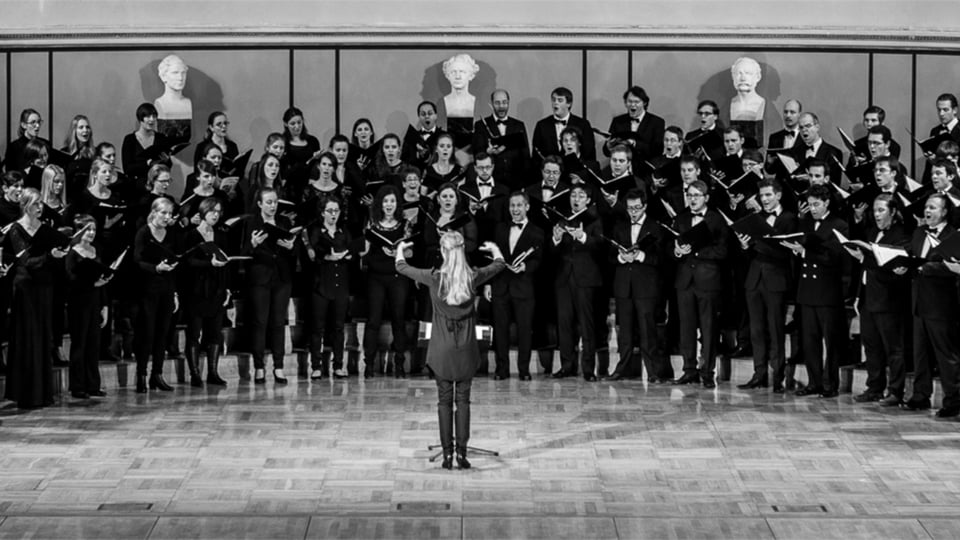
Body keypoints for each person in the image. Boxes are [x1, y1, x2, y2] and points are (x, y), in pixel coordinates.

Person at [395, 231, 505, 469]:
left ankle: (447, 455)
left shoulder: (434, 277)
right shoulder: (472, 276)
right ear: (462, 251)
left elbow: (402, 267)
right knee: (463, 401)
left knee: (444, 402)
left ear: (443, 252)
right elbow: (499, 265)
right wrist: (494, 249)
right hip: (466, 348)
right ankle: (462, 454)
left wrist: (400, 248)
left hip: (441, 349)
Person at [781, 184, 848, 397]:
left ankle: (830, 384)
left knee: (831, 341)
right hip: (807, 290)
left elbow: (834, 258)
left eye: (816, 204)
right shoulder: (805, 222)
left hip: (828, 290)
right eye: (810, 205)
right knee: (809, 340)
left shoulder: (839, 225)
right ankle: (814, 382)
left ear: (827, 203)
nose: (813, 208)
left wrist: (804, 252)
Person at [3, 188, 68, 408]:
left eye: (41, 203)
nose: (40, 207)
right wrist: (50, 255)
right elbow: (25, 262)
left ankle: (42, 392)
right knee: (27, 337)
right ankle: (26, 393)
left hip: (44, 286)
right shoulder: (16, 229)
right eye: (35, 204)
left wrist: (59, 253)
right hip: (25, 288)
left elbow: (53, 256)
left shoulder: (45, 229)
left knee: (42, 336)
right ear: (25, 205)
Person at [735, 179, 798, 392]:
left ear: (778, 195)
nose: (765, 200)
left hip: (776, 280)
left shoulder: (789, 218)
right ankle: (759, 374)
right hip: (754, 280)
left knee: (775, 329)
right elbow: (751, 252)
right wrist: (745, 246)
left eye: (768, 195)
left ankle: (778, 376)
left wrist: (758, 242)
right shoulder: (756, 218)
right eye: (762, 196)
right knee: (756, 330)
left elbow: (783, 252)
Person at [848, 193, 909, 406]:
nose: (876, 214)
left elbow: (891, 269)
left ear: (893, 212)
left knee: (893, 348)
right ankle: (874, 387)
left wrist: (865, 258)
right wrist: (858, 295)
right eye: (874, 210)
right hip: (868, 296)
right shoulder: (872, 232)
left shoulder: (900, 235)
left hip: (888, 299)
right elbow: (865, 269)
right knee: (871, 345)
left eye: (881, 210)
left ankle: (895, 391)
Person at [904, 193, 960, 417]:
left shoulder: (953, 235)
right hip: (919, 301)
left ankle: (953, 400)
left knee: (946, 356)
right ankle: (920, 396)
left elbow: (953, 267)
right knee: (920, 354)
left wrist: (924, 268)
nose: (928, 211)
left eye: (933, 208)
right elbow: (912, 256)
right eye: (927, 207)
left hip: (941, 304)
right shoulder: (919, 232)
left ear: (945, 211)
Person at [605, 188, 669, 382]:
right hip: (624, 285)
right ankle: (621, 368)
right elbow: (608, 256)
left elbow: (662, 259)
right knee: (624, 331)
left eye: (637, 208)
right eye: (630, 208)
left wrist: (640, 256)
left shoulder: (655, 227)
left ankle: (653, 371)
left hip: (646, 286)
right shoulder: (619, 226)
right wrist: (621, 257)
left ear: (645, 206)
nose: (633, 212)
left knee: (647, 330)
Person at [672, 180, 729, 388]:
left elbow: (722, 251)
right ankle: (689, 370)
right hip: (685, 280)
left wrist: (696, 251)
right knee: (686, 328)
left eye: (697, 195)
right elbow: (674, 245)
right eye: (690, 195)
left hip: (708, 280)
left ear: (706, 198)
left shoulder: (716, 220)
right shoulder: (681, 218)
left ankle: (707, 371)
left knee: (708, 329)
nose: (692, 199)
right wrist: (678, 252)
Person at [243, 187, 296, 384]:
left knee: (278, 323)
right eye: (269, 202)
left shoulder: (283, 222)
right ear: (259, 204)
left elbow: (292, 251)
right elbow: (244, 252)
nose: (273, 206)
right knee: (259, 322)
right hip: (260, 278)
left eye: (275, 202)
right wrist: (253, 245)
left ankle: (279, 367)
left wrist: (291, 247)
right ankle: (259, 367)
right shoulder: (252, 222)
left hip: (281, 278)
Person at [488, 191, 544, 380]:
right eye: (512, 205)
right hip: (501, 286)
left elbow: (539, 260)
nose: (515, 209)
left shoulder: (537, 231)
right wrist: (488, 283)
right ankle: (501, 370)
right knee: (500, 330)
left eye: (519, 205)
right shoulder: (500, 228)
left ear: (527, 207)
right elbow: (492, 257)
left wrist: (525, 266)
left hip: (523, 287)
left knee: (524, 330)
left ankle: (524, 370)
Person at [550, 184, 603, 381]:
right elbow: (552, 253)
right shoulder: (562, 219)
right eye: (573, 195)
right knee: (564, 323)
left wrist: (582, 236)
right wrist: (555, 239)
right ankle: (567, 366)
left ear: (588, 200)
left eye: (581, 195)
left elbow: (600, 246)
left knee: (586, 324)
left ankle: (588, 369)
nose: (576, 198)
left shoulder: (595, 220)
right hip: (564, 278)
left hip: (585, 278)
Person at [362, 185, 413, 379]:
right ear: (380, 204)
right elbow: (365, 251)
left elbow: (411, 252)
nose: (389, 205)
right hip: (376, 276)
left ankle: (399, 364)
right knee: (373, 320)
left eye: (392, 201)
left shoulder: (405, 224)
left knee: (398, 320)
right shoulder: (372, 223)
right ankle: (368, 364)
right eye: (385, 201)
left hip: (397, 276)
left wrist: (397, 251)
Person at [181, 197, 231, 387]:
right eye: (212, 212)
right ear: (203, 212)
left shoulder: (221, 236)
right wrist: (208, 263)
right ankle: (194, 374)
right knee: (194, 333)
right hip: (196, 290)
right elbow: (187, 262)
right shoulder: (191, 236)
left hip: (216, 290)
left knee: (215, 333)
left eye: (218, 212)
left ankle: (212, 372)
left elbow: (227, 265)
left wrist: (227, 289)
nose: (215, 215)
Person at [304, 194, 355, 379]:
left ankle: (338, 365)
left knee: (338, 327)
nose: (334, 214)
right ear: (323, 212)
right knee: (318, 327)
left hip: (340, 283)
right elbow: (312, 256)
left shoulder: (343, 231)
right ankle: (316, 365)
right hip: (321, 283)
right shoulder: (316, 231)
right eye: (330, 211)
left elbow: (352, 250)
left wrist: (348, 256)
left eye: (336, 211)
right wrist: (327, 257)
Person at [132, 196, 179, 393]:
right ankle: (141, 375)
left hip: (166, 289)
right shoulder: (143, 232)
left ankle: (157, 375)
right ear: (154, 212)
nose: (167, 217)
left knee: (162, 333)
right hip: (148, 289)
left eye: (169, 214)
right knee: (147, 333)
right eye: (163, 213)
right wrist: (156, 268)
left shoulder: (171, 234)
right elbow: (137, 261)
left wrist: (175, 292)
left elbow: (176, 262)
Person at [65, 214, 110, 399]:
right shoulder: (71, 252)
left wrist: (105, 305)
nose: (91, 233)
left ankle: (93, 385)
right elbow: (70, 279)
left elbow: (103, 279)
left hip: (95, 302)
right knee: (79, 344)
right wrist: (92, 284)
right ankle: (77, 386)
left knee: (93, 344)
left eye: (94, 229)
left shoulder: (96, 249)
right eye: (88, 229)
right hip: (78, 302)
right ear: (79, 230)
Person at [472, 89, 530, 190]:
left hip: (515, 183)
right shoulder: (480, 125)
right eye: (497, 103)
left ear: (508, 103)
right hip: (493, 181)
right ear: (491, 104)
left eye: (504, 102)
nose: (501, 106)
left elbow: (525, 156)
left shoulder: (519, 125)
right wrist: (487, 152)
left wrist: (525, 184)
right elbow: (476, 152)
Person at [532, 87, 597, 167]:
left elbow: (589, 153)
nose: (555, 103)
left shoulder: (583, 124)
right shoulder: (542, 125)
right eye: (553, 100)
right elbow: (536, 156)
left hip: (577, 173)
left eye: (560, 100)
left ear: (569, 104)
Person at [604, 86, 665, 167]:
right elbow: (606, 152)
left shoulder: (657, 122)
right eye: (629, 101)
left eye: (636, 102)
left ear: (644, 103)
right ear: (625, 103)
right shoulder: (618, 121)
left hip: (645, 169)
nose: (633, 105)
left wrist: (634, 143)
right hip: (621, 167)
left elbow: (657, 150)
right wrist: (608, 145)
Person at [121, 102, 172, 186]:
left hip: (157, 185)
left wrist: (167, 160)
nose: (151, 119)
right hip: (136, 185)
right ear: (140, 118)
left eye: (154, 116)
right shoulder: (129, 140)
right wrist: (148, 163)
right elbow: (127, 169)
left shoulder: (161, 138)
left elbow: (168, 166)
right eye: (148, 116)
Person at [281, 106, 322, 197]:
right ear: (285, 124)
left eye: (299, 122)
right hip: (290, 185)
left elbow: (318, 166)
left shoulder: (313, 141)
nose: (297, 126)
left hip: (310, 183)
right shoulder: (283, 142)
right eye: (292, 123)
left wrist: (317, 158)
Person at [4, 108, 50, 173]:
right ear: (24, 125)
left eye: (39, 122)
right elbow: (11, 173)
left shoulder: (45, 143)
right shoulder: (14, 147)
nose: (37, 125)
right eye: (33, 122)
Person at [402, 101, 442, 171]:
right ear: (419, 117)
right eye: (423, 114)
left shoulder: (444, 136)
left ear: (436, 115)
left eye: (430, 113)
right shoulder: (411, 137)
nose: (426, 116)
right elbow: (404, 162)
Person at [729, 57, 766, 121]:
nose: (743, 78)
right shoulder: (733, 103)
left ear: (758, 77)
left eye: (748, 73)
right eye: (739, 73)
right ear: (733, 77)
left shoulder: (760, 102)